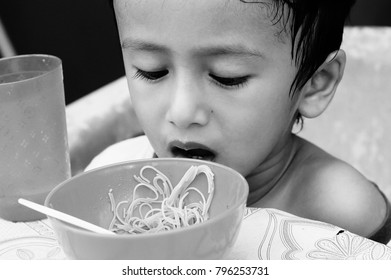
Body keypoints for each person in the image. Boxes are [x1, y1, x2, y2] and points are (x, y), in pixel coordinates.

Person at [88, 0, 391, 244]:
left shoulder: (340, 210)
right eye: (151, 71)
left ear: (315, 83)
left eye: (227, 77)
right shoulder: (115, 188)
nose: (181, 112)